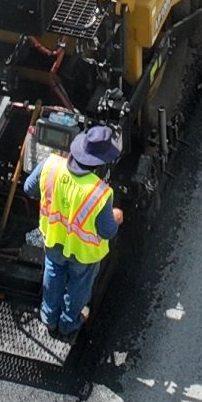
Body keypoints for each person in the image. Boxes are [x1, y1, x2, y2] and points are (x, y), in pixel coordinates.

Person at [35, 122, 122, 341]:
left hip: (53, 240)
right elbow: (108, 231)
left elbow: (29, 187)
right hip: (82, 254)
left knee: (52, 274)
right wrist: (116, 217)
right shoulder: (101, 193)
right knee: (78, 287)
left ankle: (48, 316)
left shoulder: (51, 165)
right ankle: (68, 323)